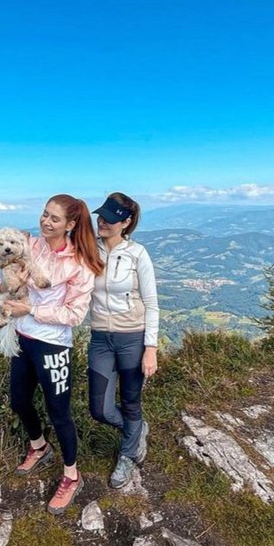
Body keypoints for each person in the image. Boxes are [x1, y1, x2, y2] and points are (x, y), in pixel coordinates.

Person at [0, 194, 103, 514]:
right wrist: (5, 286)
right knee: (18, 400)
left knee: (59, 413)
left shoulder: (80, 263)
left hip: (53, 345)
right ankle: (39, 446)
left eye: (54, 219)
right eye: (45, 214)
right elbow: (3, 280)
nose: (45, 222)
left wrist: (30, 307)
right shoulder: (30, 245)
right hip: (22, 337)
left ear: (70, 225)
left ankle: (72, 475)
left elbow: (74, 314)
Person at [87, 192, 159, 488]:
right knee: (99, 409)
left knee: (130, 400)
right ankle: (136, 429)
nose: (102, 221)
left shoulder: (138, 254)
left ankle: (128, 455)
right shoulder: (89, 249)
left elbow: (152, 303)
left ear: (126, 222)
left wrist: (150, 348)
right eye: (101, 215)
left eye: (111, 218)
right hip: (100, 337)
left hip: (132, 337)